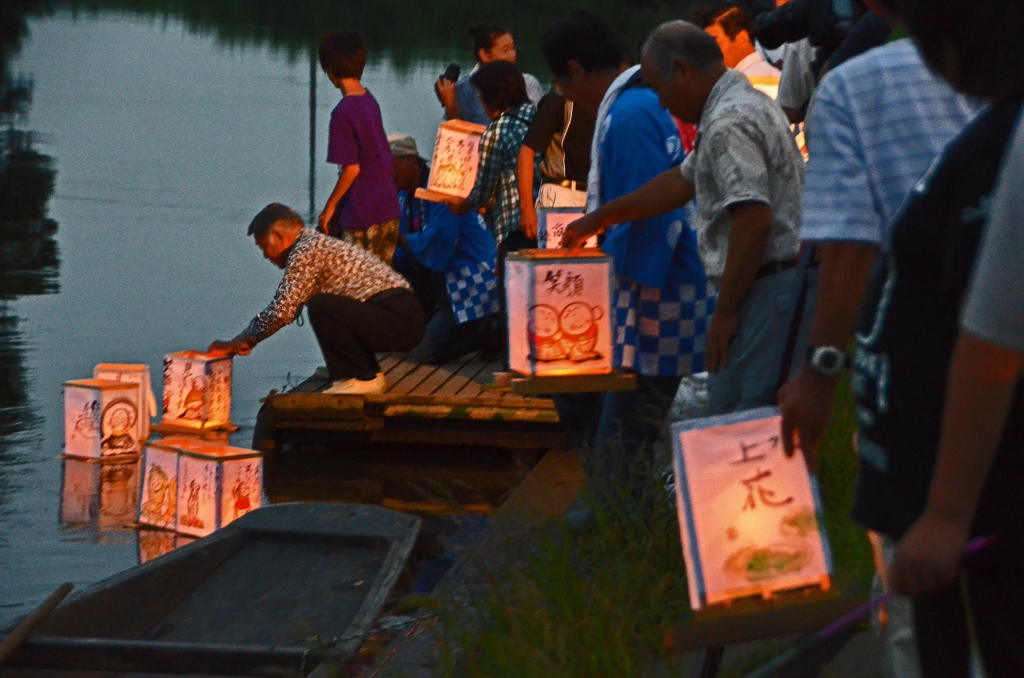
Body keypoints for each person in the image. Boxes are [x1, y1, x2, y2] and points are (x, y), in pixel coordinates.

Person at [820, 0, 1024, 675]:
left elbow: (992, 338)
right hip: (945, 484)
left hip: (970, 498)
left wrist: (944, 513)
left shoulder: (1012, 136)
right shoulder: (998, 130)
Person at [564, 19, 805, 417]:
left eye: (659, 88)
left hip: (765, 289)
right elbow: (679, 180)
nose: (661, 103)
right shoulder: (745, 104)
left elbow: (753, 219)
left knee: (742, 417)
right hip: (773, 285)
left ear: (682, 69)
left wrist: (724, 313)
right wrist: (599, 219)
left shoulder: (728, 122)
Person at [541, 12, 711, 512]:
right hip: (662, 293)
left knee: (623, 434)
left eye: (565, 89)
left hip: (657, 302)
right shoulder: (641, 102)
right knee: (611, 421)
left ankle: (618, 524)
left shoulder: (627, 114)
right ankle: (616, 511)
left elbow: (652, 219)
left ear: (574, 70)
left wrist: (611, 304)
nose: (571, 101)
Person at [209, 204, 425, 395]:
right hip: (400, 314)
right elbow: (290, 309)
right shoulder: (315, 242)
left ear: (279, 237)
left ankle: (360, 377)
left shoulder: (305, 250)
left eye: (263, 246)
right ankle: (364, 373)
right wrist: (248, 339)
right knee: (323, 305)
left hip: (399, 318)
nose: (265, 255)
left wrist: (239, 341)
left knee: (322, 306)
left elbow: (282, 311)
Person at [389, 133, 499, 364]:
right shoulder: (402, 197)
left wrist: (401, 240)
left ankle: (488, 332)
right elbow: (398, 255)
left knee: (423, 353)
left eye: (392, 164)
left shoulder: (444, 190)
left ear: (412, 162)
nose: (387, 172)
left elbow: (436, 242)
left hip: (470, 280)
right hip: (437, 282)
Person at [317, 29, 401, 265]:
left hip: (363, 215)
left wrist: (329, 208)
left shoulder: (343, 112)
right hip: (388, 209)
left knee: (357, 286)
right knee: (381, 282)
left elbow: (352, 169)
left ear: (329, 70)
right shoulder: (369, 100)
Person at [449, 61, 535, 254]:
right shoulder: (539, 117)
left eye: (481, 95)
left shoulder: (496, 132)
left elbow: (482, 192)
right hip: (544, 223)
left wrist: (459, 207)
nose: (480, 101)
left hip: (514, 228)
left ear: (494, 97)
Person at [516, 90, 595, 242]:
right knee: (556, 263)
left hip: (593, 200)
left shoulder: (604, 100)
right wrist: (526, 209)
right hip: (561, 194)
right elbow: (527, 151)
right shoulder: (559, 100)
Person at [436, 22, 544, 127]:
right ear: (484, 55)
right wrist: (451, 104)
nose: (513, 55)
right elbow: (453, 136)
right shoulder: (465, 89)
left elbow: (540, 128)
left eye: (513, 48)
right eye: (505, 50)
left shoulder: (528, 83)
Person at [697, 4, 781, 77]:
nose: (708, 52)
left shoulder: (747, 83)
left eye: (714, 43)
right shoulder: (771, 75)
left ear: (742, 38)